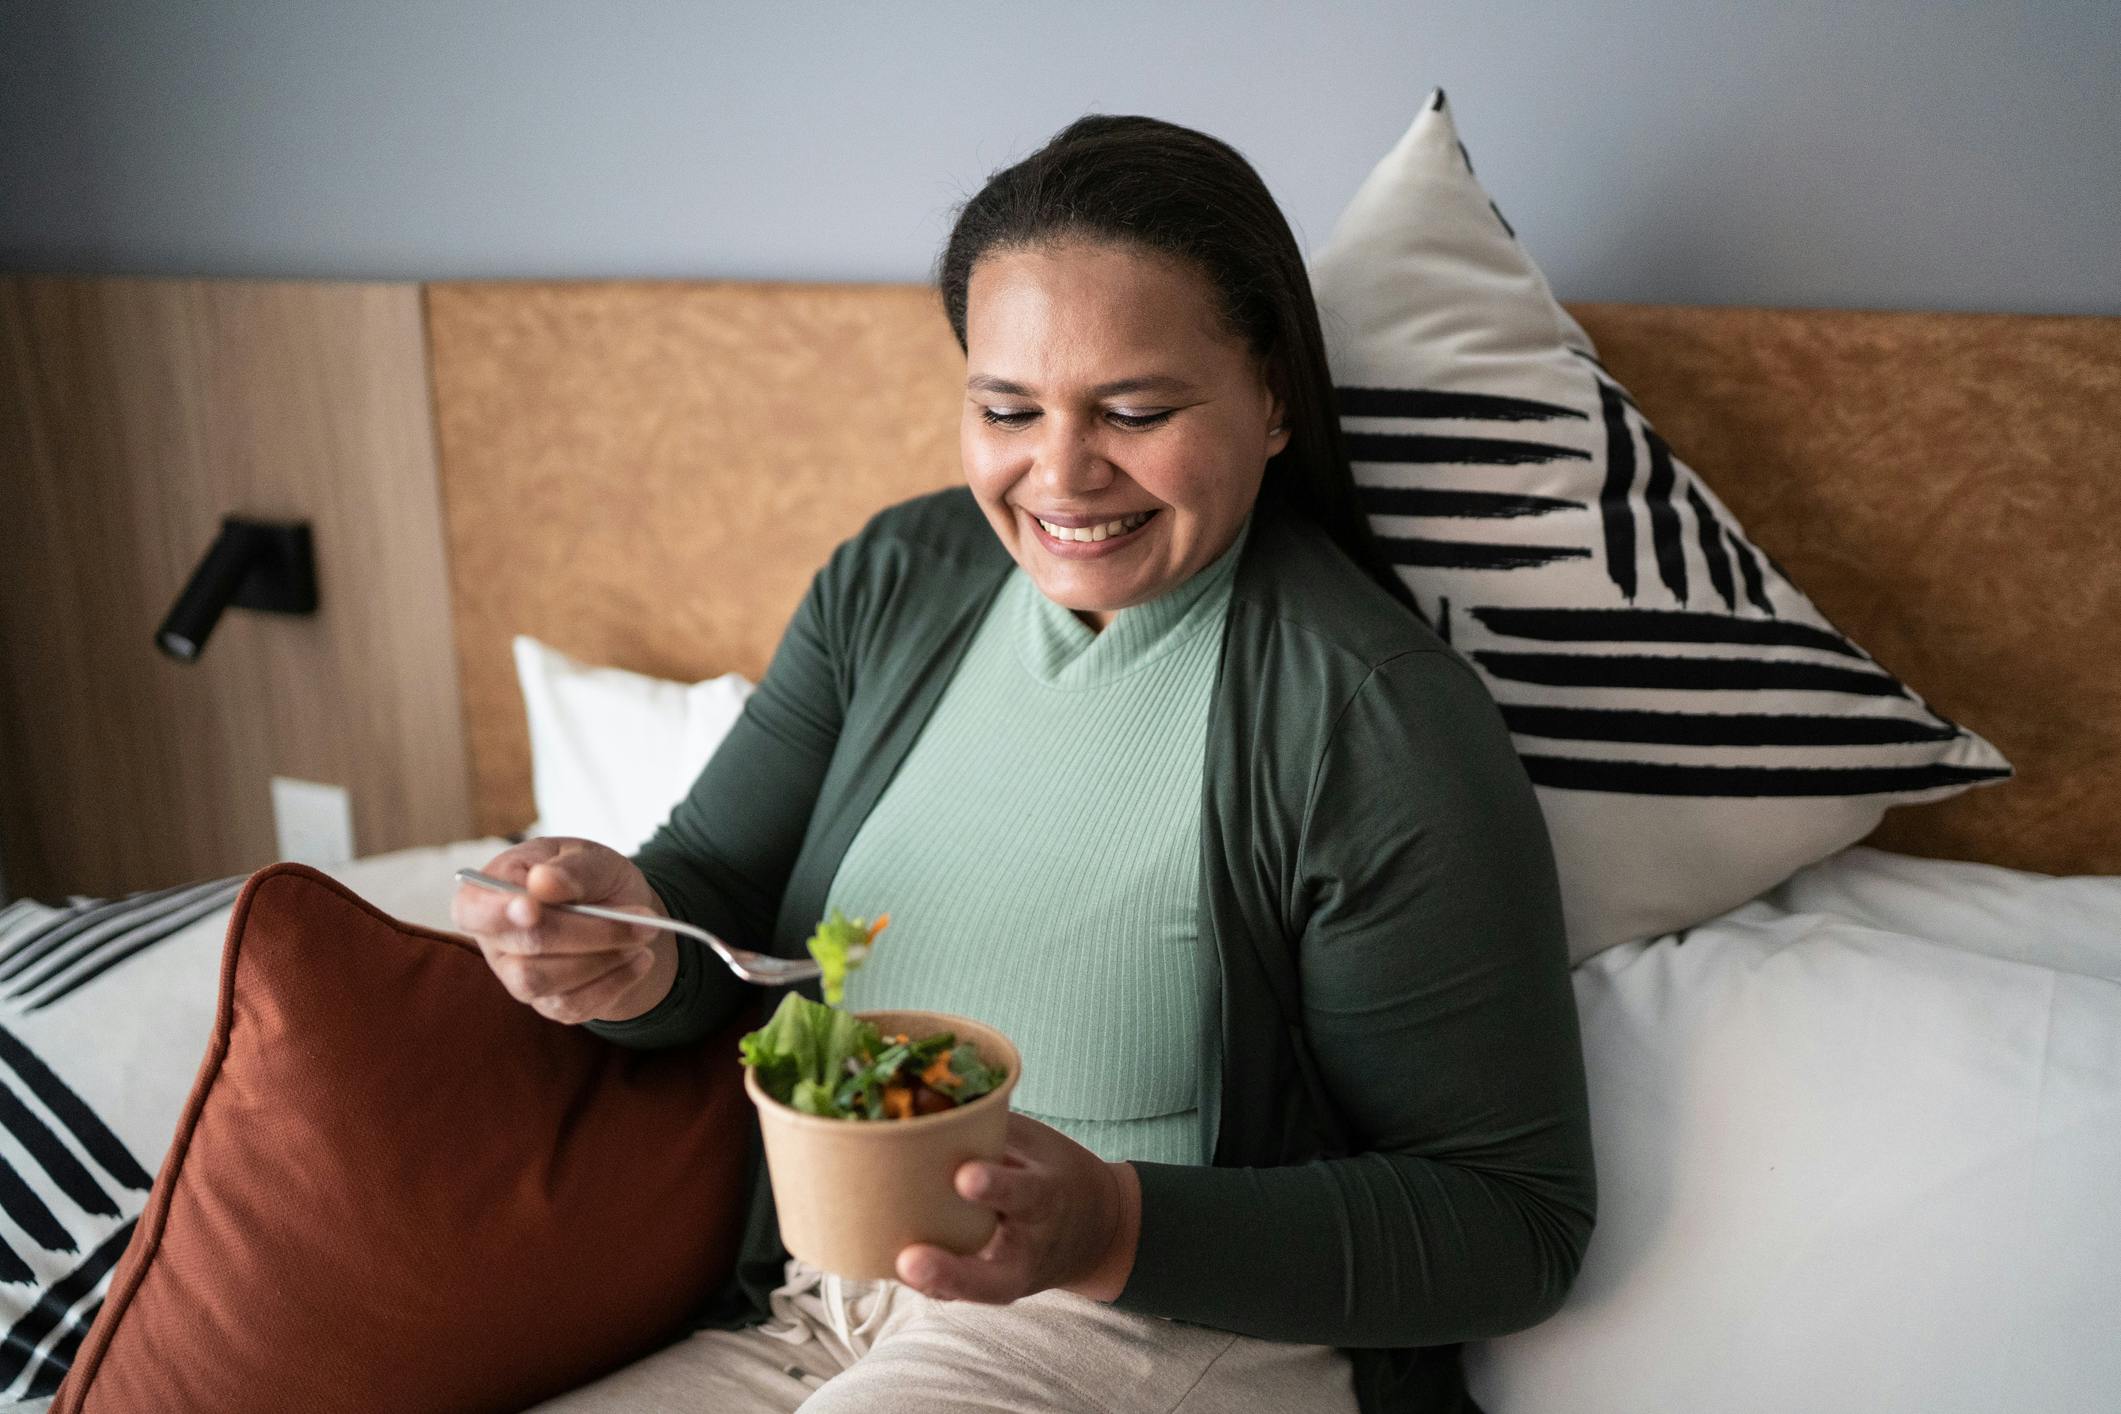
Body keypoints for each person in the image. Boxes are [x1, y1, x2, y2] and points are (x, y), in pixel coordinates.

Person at [452, 113, 1595, 1414]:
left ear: (1273, 396)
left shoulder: (1372, 718)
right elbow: (715, 889)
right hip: (815, 1306)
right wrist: (627, 939)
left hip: (1144, 1326)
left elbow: (1511, 1225)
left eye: (1134, 408)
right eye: (1006, 407)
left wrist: (1106, 1223)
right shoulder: (895, 582)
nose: (1059, 473)